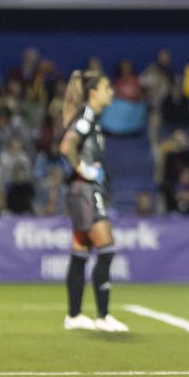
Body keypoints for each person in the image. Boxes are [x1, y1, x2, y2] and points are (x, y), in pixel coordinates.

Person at [59, 71, 128, 334]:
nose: (111, 92)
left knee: (80, 252)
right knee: (106, 249)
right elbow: (67, 147)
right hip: (87, 191)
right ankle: (103, 316)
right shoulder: (87, 116)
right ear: (93, 93)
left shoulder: (90, 117)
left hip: (82, 192)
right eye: (107, 87)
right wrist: (84, 169)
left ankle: (74, 315)